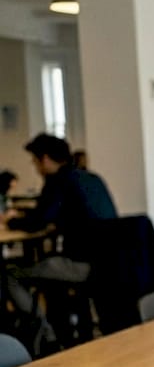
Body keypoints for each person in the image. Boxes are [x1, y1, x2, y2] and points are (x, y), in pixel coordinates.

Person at [2, 134, 119, 347]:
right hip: (111, 261)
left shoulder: (58, 181)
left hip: (79, 264)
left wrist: (10, 222)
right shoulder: (92, 178)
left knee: (9, 274)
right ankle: (62, 328)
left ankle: (44, 333)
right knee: (48, 271)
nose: (35, 167)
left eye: (35, 161)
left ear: (45, 159)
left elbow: (38, 221)